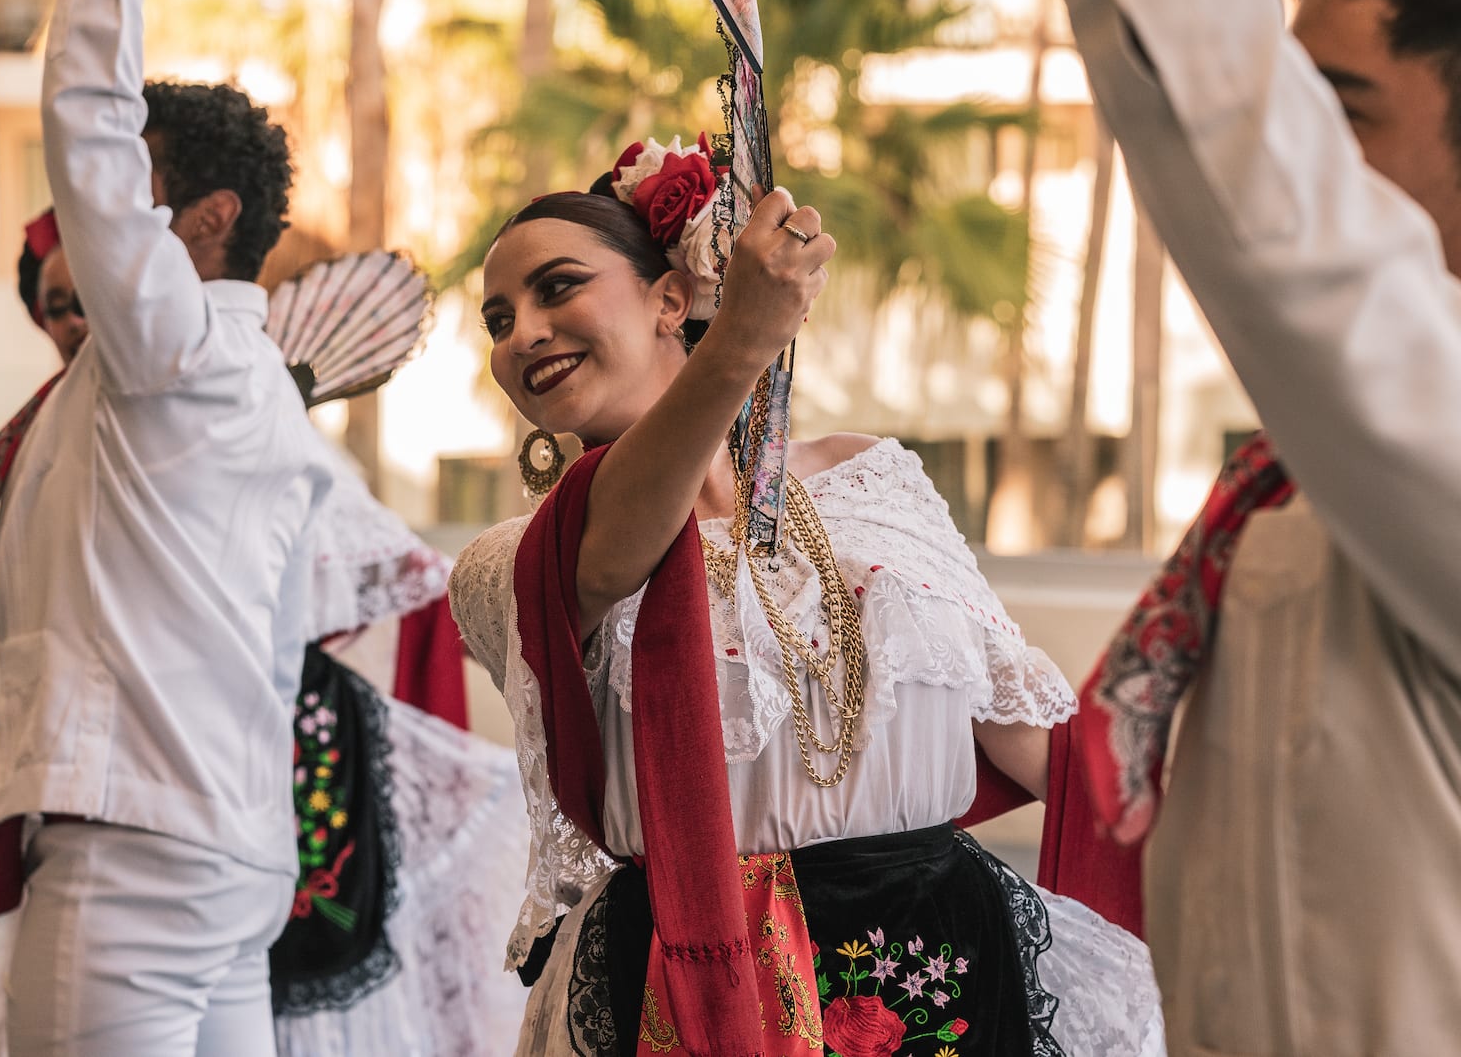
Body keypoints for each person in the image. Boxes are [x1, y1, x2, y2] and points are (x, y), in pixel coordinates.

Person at [939, 0, 1461, 1049]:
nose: (1303, 164)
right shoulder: (1282, 493)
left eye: (1339, 114)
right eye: (1296, 112)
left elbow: (1280, 211)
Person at [447, 150, 1164, 1057]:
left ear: (672, 298)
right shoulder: (515, 560)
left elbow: (1025, 736)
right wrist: (745, 340)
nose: (523, 334)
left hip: (936, 966)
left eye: (558, 288)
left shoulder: (870, 479)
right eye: (500, 320)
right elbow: (618, 543)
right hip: (692, 990)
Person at [0, 0, 346, 1057]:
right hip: (234, 857)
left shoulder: (169, 345)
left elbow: (84, 109)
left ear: (209, 221)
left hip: (135, 858)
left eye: (133, 190)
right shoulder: (265, 397)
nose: (87, 221)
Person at [0, 210, 528, 1057]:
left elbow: (403, 584)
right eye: (56, 305)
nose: (74, 319)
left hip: (266, 762)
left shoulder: (222, 407)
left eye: (86, 296)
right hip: (111, 778)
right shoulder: (46, 438)